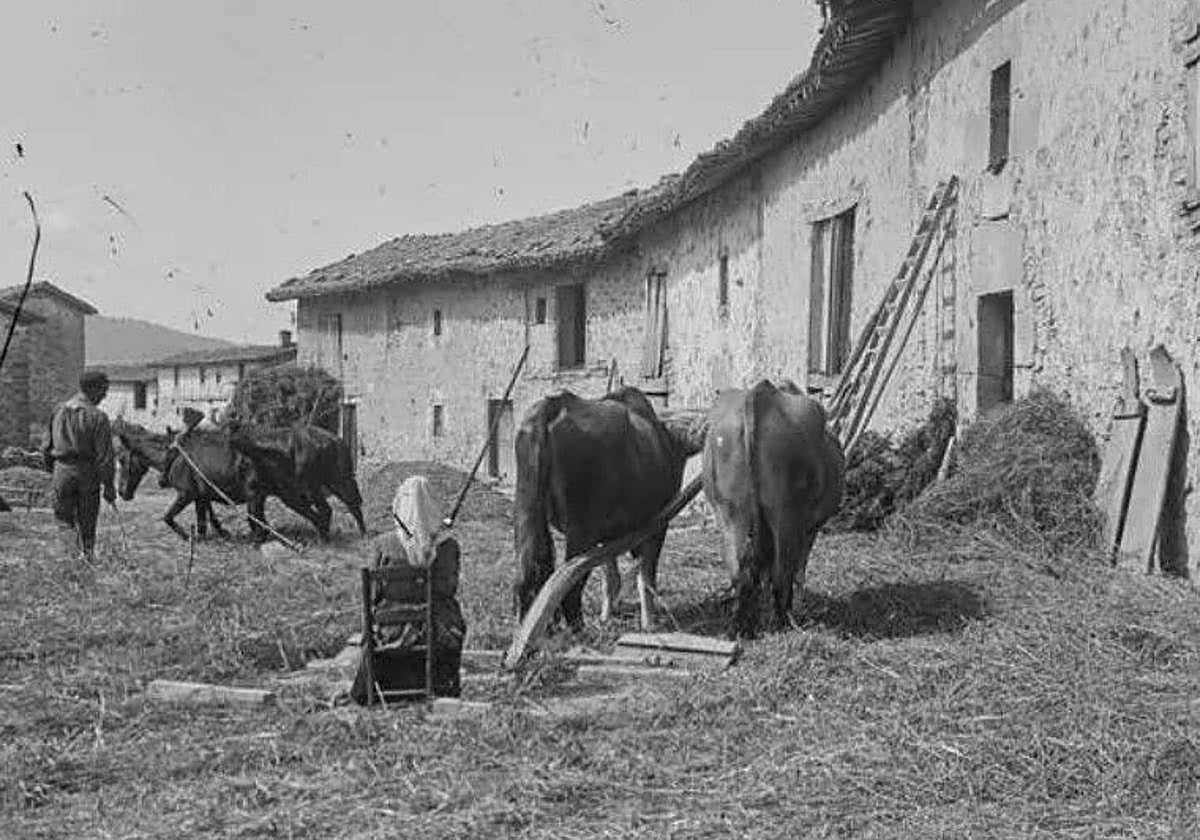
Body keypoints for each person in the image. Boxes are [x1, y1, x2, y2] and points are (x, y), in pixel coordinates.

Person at [351, 476, 467, 703]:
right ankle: (441, 683)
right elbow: (449, 589)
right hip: (437, 633)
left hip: (391, 634)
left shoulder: (382, 544)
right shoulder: (448, 547)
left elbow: (374, 595)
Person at [44, 370, 117, 563]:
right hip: (86, 473)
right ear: (92, 389)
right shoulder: (98, 417)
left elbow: (46, 447)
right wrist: (109, 486)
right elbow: (105, 457)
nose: (105, 395)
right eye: (103, 390)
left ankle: (69, 558)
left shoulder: (58, 410)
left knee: (64, 519)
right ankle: (87, 559)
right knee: (87, 520)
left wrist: (53, 472)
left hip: (62, 470)